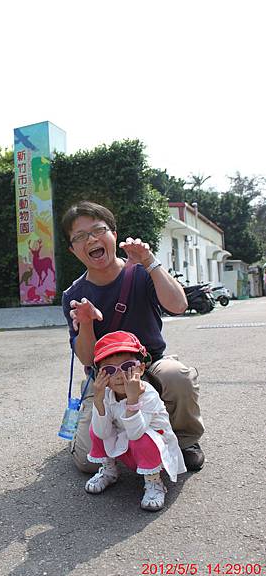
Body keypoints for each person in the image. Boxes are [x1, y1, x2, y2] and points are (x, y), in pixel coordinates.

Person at [61, 201, 205, 473]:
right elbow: (87, 357)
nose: (91, 239)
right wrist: (87, 323)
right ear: (72, 249)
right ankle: (106, 425)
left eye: (98, 230)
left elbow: (179, 305)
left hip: (150, 365)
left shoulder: (142, 272)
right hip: (105, 374)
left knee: (178, 375)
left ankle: (185, 441)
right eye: (80, 237)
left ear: (113, 234)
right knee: (86, 463)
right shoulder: (73, 295)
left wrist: (151, 262)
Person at [86, 330, 186, 511]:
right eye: (109, 370)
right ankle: (109, 470)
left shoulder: (146, 393)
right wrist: (98, 401)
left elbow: (136, 433)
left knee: (143, 437)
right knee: (96, 427)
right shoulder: (107, 394)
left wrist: (132, 400)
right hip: (128, 446)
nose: (118, 375)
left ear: (141, 368)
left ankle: (154, 482)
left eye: (127, 367)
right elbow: (101, 433)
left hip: (152, 448)